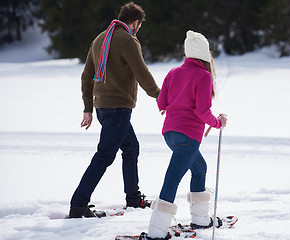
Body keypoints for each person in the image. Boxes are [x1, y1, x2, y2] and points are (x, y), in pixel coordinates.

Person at [68, 2, 160, 218]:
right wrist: (160, 95)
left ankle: (133, 199)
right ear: (136, 22)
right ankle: (78, 205)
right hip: (118, 108)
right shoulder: (128, 40)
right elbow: (142, 73)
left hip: (103, 107)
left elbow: (86, 76)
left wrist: (88, 108)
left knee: (131, 148)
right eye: (140, 25)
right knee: (105, 155)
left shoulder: (100, 38)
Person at [145, 30, 227, 239]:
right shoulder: (204, 75)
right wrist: (217, 123)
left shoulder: (173, 72)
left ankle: (200, 219)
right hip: (188, 136)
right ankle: (157, 231)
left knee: (200, 169)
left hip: (170, 134)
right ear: (204, 54)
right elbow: (201, 111)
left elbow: (161, 103)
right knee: (172, 178)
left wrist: (176, 103)